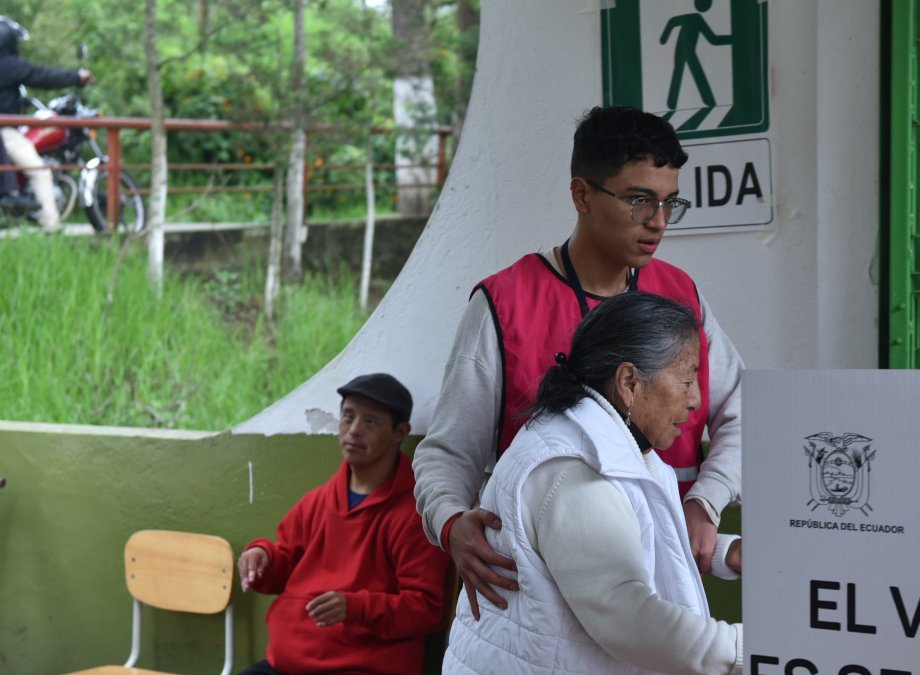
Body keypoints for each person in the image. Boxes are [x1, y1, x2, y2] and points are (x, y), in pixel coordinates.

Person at [413, 105, 744, 619]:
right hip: (539, 594)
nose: (658, 221)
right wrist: (451, 522)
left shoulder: (681, 296)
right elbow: (447, 454)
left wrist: (706, 500)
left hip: (659, 588)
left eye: (669, 202)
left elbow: (744, 410)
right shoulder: (505, 304)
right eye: (638, 200)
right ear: (582, 195)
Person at [443, 292, 743, 674]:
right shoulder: (573, 471)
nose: (696, 400)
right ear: (629, 382)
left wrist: (723, 552)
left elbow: (623, 535)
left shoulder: (605, 442)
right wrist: (747, 649)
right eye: (686, 380)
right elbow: (629, 618)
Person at [238, 373, 450, 675]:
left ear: (399, 433)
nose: (353, 430)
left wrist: (356, 608)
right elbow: (284, 563)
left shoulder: (414, 515)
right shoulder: (318, 501)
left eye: (370, 422)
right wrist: (262, 557)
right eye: (348, 417)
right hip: (286, 663)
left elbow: (425, 609)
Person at [0, 16, 92, 230]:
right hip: (4, 132)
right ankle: (52, 226)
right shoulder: (9, 65)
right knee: (40, 171)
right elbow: (42, 76)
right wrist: (76, 77)